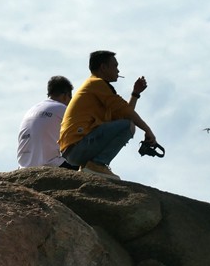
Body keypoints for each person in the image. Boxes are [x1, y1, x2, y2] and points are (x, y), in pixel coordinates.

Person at [58, 50, 159, 180]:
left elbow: (124, 114)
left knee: (126, 124)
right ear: (103, 67)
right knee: (128, 126)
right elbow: (126, 114)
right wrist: (148, 130)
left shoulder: (96, 87)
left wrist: (135, 94)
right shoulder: (96, 83)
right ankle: (97, 165)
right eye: (115, 66)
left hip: (73, 150)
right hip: (78, 146)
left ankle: (90, 167)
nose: (118, 70)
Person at [16, 76, 77, 169]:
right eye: (70, 98)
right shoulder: (63, 109)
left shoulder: (31, 110)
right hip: (51, 164)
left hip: (23, 166)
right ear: (65, 95)